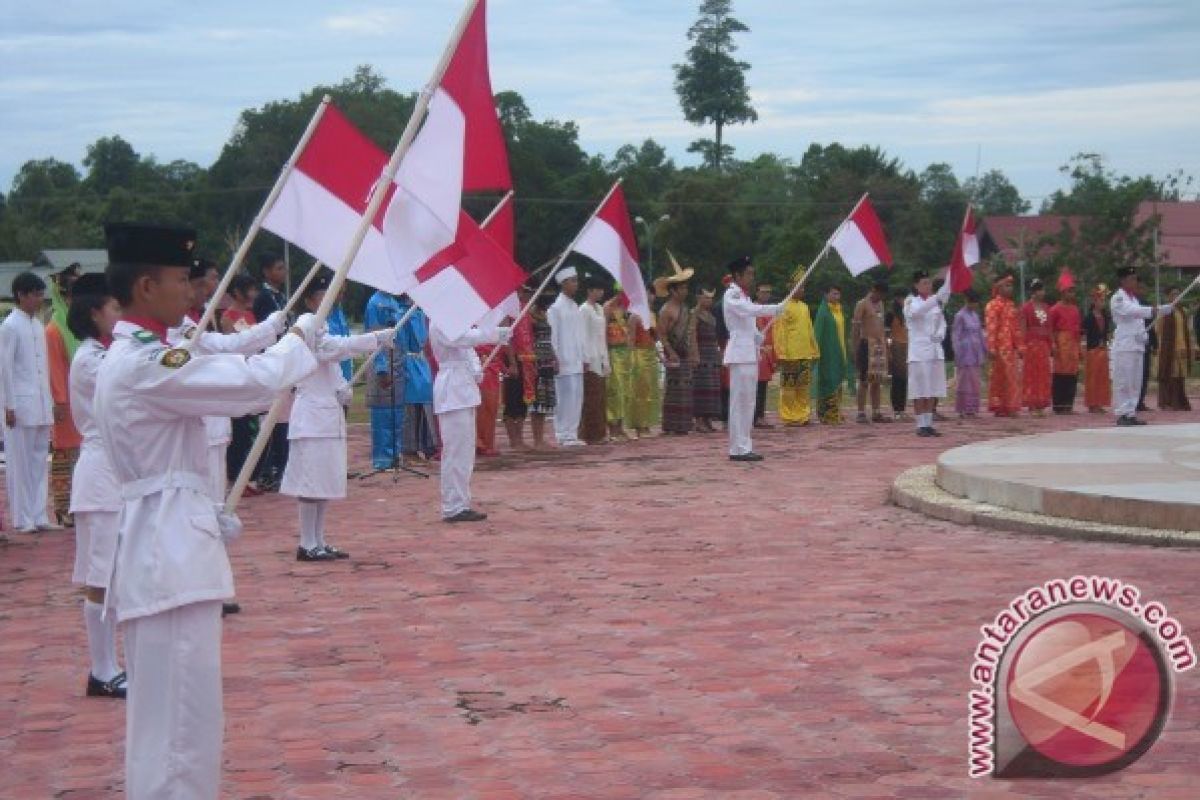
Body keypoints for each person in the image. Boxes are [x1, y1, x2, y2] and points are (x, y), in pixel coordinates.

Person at [94, 222, 320, 800]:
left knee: (172, 723)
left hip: (167, 542)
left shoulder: (140, 354)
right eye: (179, 279)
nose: (191, 289)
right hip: (169, 556)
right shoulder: (147, 361)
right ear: (146, 287)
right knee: (181, 725)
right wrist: (299, 338)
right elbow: (248, 385)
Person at [283, 276, 390, 560]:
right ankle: (307, 543)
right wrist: (374, 338)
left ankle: (318, 539)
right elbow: (330, 349)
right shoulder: (307, 323)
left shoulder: (324, 325)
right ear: (309, 300)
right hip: (311, 417)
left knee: (324, 480)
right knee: (311, 482)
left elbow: (331, 366)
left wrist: (341, 386)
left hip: (326, 414)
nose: (329, 301)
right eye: (322, 296)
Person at [65, 273, 127, 698]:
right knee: (101, 575)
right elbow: (129, 383)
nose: (118, 315)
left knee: (117, 573)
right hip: (100, 473)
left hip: (116, 472)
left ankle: (112, 664)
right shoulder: (90, 360)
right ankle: (101, 669)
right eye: (113, 308)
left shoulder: (106, 352)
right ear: (94, 313)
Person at [431, 321, 512, 522]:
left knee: (465, 452)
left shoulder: (454, 322)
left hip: (465, 390)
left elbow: (470, 352)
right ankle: (452, 505)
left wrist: (476, 370)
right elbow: (461, 338)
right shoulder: (439, 322)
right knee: (455, 451)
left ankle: (461, 502)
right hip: (452, 391)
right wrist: (494, 334)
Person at [1, 271, 57, 532]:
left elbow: (42, 368)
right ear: (21, 295)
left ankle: (39, 515)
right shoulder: (10, 326)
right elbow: (5, 369)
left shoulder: (37, 325)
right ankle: (22, 518)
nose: (39, 300)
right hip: (19, 405)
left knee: (38, 461)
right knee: (19, 464)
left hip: (40, 403)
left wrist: (50, 400)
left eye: (41, 295)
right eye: (35, 294)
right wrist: (8, 405)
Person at [722, 256, 781, 461]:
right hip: (739, 353)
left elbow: (749, 325)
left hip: (748, 351)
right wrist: (772, 308)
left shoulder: (744, 296)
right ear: (737, 275)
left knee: (749, 401)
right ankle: (737, 448)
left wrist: (758, 336)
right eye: (748, 274)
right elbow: (746, 311)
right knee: (739, 401)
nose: (751, 277)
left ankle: (744, 445)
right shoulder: (732, 295)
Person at [1110, 267, 1172, 425]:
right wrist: (1155, 310)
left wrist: (1144, 335)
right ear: (1123, 281)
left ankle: (1131, 413)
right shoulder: (1118, 298)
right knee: (1125, 381)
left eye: (1136, 279)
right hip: (1125, 345)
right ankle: (1123, 413)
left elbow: (1138, 319)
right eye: (1132, 279)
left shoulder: (1134, 298)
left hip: (1137, 344)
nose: (1135, 282)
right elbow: (1131, 312)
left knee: (1136, 381)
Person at [251, 253, 290, 489]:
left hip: (284, 361)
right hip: (271, 359)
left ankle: (281, 464)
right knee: (271, 417)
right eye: (278, 268)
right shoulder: (264, 298)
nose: (282, 273)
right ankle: (268, 468)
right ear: (266, 272)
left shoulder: (280, 296)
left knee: (284, 417)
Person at [46, 276, 83, 527]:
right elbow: (54, 369)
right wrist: (59, 401)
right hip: (65, 401)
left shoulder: (75, 326)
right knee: (63, 454)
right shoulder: (54, 329)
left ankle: (78, 504)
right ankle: (63, 506)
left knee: (80, 453)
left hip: (79, 399)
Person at [221, 274, 262, 492]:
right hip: (238, 376)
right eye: (249, 289)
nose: (253, 294)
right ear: (237, 292)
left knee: (251, 430)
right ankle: (236, 476)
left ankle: (250, 476)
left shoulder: (249, 314)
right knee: (239, 431)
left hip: (252, 374)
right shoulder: (229, 317)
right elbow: (235, 345)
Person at [905, 273, 951, 436]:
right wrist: (937, 298)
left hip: (934, 349)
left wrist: (940, 334)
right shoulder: (911, 301)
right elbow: (917, 313)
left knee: (932, 389)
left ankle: (929, 424)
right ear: (916, 286)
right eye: (924, 283)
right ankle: (921, 425)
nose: (928, 286)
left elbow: (942, 323)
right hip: (918, 351)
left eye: (929, 283)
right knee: (919, 389)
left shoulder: (936, 304)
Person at [655, 257, 696, 436]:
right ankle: (672, 423)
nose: (685, 291)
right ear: (673, 291)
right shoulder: (666, 310)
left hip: (685, 353)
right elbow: (661, 334)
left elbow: (690, 333)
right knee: (674, 389)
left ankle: (684, 423)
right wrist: (670, 352)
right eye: (682, 288)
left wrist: (694, 353)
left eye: (686, 288)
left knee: (686, 388)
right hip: (674, 353)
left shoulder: (686, 309)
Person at [548, 267, 586, 446]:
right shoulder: (555, 308)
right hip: (563, 360)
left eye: (576, 280)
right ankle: (562, 433)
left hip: (576, 360)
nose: (576, 284)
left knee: (577, 396)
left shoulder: (575, 306)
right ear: (563, 283)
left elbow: (580, 335)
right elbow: (553, 335)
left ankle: (572, 433)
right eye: (572, 281)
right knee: (564, 398)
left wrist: (584, 357)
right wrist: (554, 357)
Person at [774, 279, 819, 426]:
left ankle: (803, 415)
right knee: (788, 388)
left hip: (804, 353)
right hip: (790, 354)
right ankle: (789, 416)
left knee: (803, 387)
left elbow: (809, 329)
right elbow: (779, 330)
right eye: (798, 288)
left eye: (803, 288)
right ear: (791, 289)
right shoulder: (783, 306)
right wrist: (781, 353)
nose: (801, 291)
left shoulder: (805, 307)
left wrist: (814, 350)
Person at [503, 284, 536, 451]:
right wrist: (512, 363)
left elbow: (530, 336)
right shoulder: (507, 311)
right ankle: (513, 440)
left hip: (528, 360)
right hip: (513, 359)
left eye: (525, 291)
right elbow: (506, 338)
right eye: (522, 291)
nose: (525, 294)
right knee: (512, 400)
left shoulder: (526, 310)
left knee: (524, 400)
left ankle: (520, 438)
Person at [852, 280, 890, 423]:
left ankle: (876, 412)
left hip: (879, 347)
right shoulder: (861, 304)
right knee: (863, 380)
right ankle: (861, 412)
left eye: (883, 295)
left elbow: (882, 326)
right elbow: (855, 328)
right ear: (873, 290)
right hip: (865, 344)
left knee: (877, 380)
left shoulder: (881, 304)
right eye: (879, 294)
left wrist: (886, 346)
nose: (881, 297)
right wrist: (855, 348)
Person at [579, 276, 611, 444]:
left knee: (600, 398)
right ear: (589, 291)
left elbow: (602, 336)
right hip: (589, 357)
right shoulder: (584, 309)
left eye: (602, 289)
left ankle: (600, 432)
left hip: (599, 355)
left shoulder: (599, 308)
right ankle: (588, 434)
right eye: (597, 289)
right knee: (590, 398)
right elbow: (582, 335)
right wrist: (585, 358)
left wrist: (606, 360)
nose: (601, 292)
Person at [986, 273, 1023, 417]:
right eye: (1007, 286)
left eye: (1011, 286)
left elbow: (1016, 328)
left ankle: (1011, 406)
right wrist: (992, 347)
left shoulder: (1011, 305)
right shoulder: (992, 305)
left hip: (1010, 347)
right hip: (999, 347)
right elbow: (991, 328)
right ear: (998, 287)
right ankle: (999, 406)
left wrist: (1020, 346)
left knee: (1011, 376)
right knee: (999, 377)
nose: (1010, 288)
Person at [1155, 286, 1194, 410]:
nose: (1176, 297)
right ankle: (1168, 402)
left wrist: (1191, 346)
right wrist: (1162, 346)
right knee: (1169, 374)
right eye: (1173, 294)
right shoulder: (1164, 311)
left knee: (1180, 376)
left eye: (1178, 294)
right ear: (1168, 297)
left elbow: (1188, 330)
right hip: (1168, 349)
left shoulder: (1183, 311)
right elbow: (1158, 329)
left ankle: (1180, 401)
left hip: (1182, 348)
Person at [814, 285, 848, 425]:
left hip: (839, 350)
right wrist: (817, 351)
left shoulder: (839, 310)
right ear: (826, 294)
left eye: (838, 294)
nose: (836, 297)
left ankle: (836, 410)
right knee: (828, 381)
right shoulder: (823, 312)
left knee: (838, 381)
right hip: (827, 352)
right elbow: (818, 332)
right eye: (834, 294)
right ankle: (827, 413)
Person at [1049, 278, 1083, 414]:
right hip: (1061, 342)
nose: (1072, 294)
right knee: (1060, 374)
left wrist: (1079, 347)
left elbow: (1078, 329)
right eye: (1069, 291)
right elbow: (1050, 329)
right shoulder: (1055, 309)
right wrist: (1053, 344)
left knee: (1072, 375)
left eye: (1073, 291)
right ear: (1062, 292)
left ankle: (1069, 404)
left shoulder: (1075, 309)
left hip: (1073, 343)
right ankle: (1058, 405)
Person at [692, 287, 723, 432]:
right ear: (698, 298)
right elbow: (692, 336)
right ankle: (699, 420)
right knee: (701, 387)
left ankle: (708, 419)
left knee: (712, 388)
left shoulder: (711, 316)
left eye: (711, 298)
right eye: (706, 297)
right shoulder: (694, 314)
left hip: (712, 354)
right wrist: (695, 354)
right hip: (701, 353)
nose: (709, 300)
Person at [952, 289, 986, 417]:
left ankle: (972, 408)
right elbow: (955, 335)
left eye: (976, 303)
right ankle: (962, 408)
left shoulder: (976, 316)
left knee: (975, 381)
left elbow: (980, 334)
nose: (974, 305)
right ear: (967, 301)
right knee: (964, 381)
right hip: (965, 351)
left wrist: (984, 349)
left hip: (976, 350)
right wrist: (957, 352)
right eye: (972, 303)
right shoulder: (960, 316)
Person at [1020, 279, 1053, 416]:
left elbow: (1049, 327)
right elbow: (1023, 328)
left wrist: (1051, 344)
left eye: (1043, 290)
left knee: (1043, 375)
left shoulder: (1046, 307)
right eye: (1040, 290)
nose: (1042, 292)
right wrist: (1022, 345)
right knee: (1032, 375)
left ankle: (1041, 404)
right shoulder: (1026, 308)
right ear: (1033, 292)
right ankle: (1032, 405)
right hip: (1031, 345)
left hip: (1043, 345)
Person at [529, 294, 557, 450]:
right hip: (536, 359)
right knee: (537, 400)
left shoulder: (544, 315)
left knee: (546, 399)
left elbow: (548, 339)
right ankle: (536, 439)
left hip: (547, 357)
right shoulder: (530, 315)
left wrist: (554, 357)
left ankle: (541, 437)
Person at [604, 291, 633, 441]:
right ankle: (612, 429)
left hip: (625, 353)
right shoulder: (608, 307)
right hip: (613, 352)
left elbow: (628, 332)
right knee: (614, 391)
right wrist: (605, 354)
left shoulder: (626, 309)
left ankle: (621, 427)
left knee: (625, 392)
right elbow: (603, 333)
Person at [627, 308, 660, 437]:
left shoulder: (651, 314)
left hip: (651, 353)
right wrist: (631, 359)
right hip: (639, 354)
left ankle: (648, 424)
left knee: (651, 390)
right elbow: (631, 339)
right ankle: (639, 425)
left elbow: (655, 337)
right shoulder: (634, 316)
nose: (650, 297)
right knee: (641, 391)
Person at [1083, 284, 1113, 413]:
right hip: (1093, 350)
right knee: (1093, 377)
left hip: (1103, 349)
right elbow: (1085, 334)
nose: (1102, 303)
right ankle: (1092, 403)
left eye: (1104, 300)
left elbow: (1107, 332)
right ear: (1094, 301)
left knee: (1102, 377)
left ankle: (1100, 402)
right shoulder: (1089, 317)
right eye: (1100, 300)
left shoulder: (1106, 316)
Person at [754, 283, 777, 428]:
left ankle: (760, 415)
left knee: (763, 385)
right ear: (757, 293)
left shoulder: (769, 311)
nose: (766, 295)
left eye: (768, 292)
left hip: (768, 352)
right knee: (757, 385)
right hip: (758, 351)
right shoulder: (754, 309)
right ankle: (757, 416)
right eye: (763, 292)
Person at [887, 292, 910, 421]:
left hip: (906, 346)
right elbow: (887, 333)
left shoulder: (907, 314)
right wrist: (888, 350)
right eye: (903, 298)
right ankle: (896, 409)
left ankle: (903, 409)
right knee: (897, 379)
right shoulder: (891, 315)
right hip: (895, 346)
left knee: (904, 380)